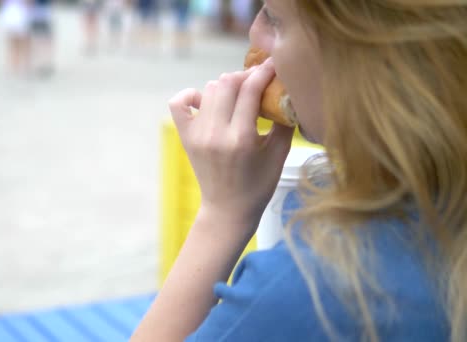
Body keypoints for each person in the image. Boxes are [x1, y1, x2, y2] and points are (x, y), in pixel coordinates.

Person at [132, 0, 467, 341]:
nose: (253, 33)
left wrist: (222, 215)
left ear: (368, 54)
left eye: (274, 19)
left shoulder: (317, 289)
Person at [0, 0, 31, 75]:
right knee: (24, 43)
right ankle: (24, 66)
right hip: (20, 15)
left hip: (9, 15)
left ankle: (15, 66)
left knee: (13, 44)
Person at [30, 0, 54, 76]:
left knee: (38, 41)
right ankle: (45, 62)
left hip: (36, 14)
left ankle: (40, 63)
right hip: (44, 14)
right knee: (45, 41)